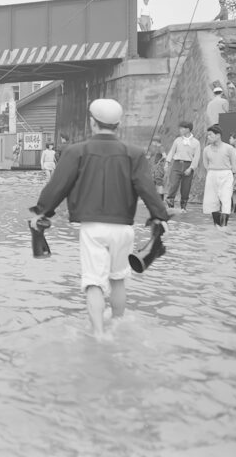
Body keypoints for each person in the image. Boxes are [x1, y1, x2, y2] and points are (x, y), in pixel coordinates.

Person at [29, 99, 170, 339]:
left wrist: (41, 212)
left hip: (93, 229)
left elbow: (58, 187)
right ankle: (117, 326)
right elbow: (147, 189)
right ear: (118, 124)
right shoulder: (134, 154)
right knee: (117, 280)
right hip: (124, 229)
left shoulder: (76, 152)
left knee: (94, 283)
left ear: (92, 122)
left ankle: (99, 335)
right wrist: (160, 216)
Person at [202, 125, 236, 226]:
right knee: (212, 200)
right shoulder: (206, 150)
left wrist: (235, 177)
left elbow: (235, 164)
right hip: (212, 174)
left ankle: (224, 226)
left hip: (226, 174)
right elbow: (205, 164)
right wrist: (211, 173)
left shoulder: (229, 148)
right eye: (207, 135)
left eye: (210, 135)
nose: (208, 137)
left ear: (218, 135)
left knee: (226, 198)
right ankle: (216, 226)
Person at [165, 121, 200, 211]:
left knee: (186, 187)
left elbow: (196, 157)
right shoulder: (177, 140)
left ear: (188, 129)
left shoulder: (196, 142)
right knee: (173, 184)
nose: (180, 130)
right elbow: (172, 151)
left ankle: (183, 207)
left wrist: (191, 168)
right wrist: (167, 162)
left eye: (182, 128)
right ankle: (170, 205)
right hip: (176, 164)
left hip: (188, 166)